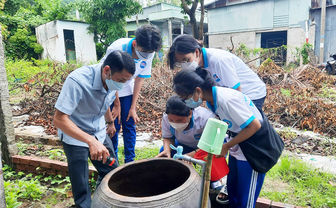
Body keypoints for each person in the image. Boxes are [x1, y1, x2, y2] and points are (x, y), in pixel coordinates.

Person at [172, 68, 284, 208]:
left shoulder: (226, 99)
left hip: (255, 150)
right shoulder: (211, 101)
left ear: (198, 91)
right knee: (233, 192)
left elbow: (254, 126)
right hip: (239, 147)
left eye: (184, 98)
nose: (184, 102)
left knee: (245, 199)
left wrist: (226, 146)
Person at [53, 51, 135, 208]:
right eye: (121, 80)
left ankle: (99, 203)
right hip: (74, 134)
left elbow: (104, 101)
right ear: (107, 70)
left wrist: (110, 122)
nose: (122, 85)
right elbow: (59, 119)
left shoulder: (112, 80)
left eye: (126, 81)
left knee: (111, 172)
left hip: (98, 131)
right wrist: (90, 141)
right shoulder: (78, 81)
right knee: (81, 183)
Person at [100, 24, 162, 163]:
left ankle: (130, 161)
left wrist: (133, 107)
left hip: (127, 88)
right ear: (135, 44)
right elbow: (109, 77)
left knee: (129, 122)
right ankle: (113, 160)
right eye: (144, 52)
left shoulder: (149, 52)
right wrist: (116, 104)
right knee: (113, 125)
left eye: (150, 52)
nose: (146, 55)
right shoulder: (116, 48)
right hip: (111, 86)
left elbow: (139, 79)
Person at [156, 95, 230, 204]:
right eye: (171, 120)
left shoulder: (206, 118)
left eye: (180, 120)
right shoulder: (166, 117)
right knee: (164, 152)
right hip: (184, 145)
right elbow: (168, 137)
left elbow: (213, 145)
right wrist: (167, 149)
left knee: (210, 166)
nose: (175, 122)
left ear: (190, 114)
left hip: (208, 148)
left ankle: (216, 183)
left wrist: (189, 157)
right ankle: (176, 181)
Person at [168, 34, 266, 111]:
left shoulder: (218, 60)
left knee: (247, 127)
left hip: (251, 93)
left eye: (186, 60)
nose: (184, 65)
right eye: (180, 63)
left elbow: (236, 92)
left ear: (197, 52)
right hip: (230, 95)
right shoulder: (197, 65)